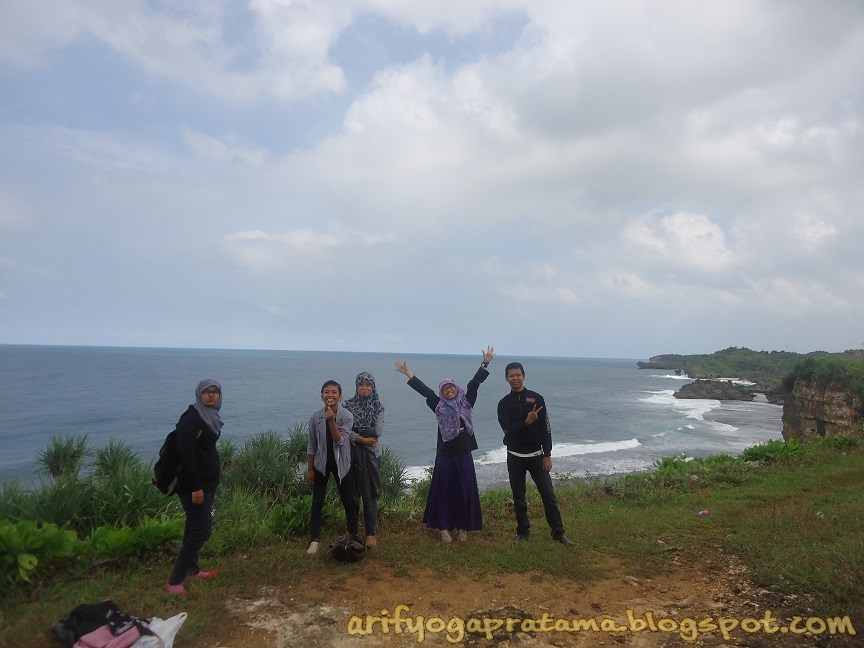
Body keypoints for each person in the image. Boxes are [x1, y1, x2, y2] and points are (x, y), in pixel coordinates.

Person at [394, 347, 495, 542]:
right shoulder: (438, 406)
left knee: (464, 490)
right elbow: (425, 391)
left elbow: (474, 384)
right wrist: (408, 373)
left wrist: (485, 363)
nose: (449, 390)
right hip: (445, 455)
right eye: (445, 389)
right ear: (442, 392)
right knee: (444, 491)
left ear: (456, 389)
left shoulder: (466, 403)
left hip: (464, 454)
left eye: (451, 387)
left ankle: (463, 527)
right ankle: (443, 527)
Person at [497, 362, 574, 546]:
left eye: (518, 375)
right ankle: (523, 532)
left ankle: (558, 533)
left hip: (537, 456)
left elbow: (546, 429)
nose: (515, 378)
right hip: (514, 456)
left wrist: (547, 454)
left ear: (524, 376)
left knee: (548, 496)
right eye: (511, 375)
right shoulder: (503, 404)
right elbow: (508, 433)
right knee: (519, 498)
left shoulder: (537, 399)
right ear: (506, 378)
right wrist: (527, 422)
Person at [165, 378, 223, 595]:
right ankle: (174, 581)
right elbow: (186, 455)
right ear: (199, 394)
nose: (211, 395)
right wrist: (195, 487)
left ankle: (192, 568)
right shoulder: (191, 418)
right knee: (201, 531)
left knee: (192, 527)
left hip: (207, 482)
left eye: (215, 391)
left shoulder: (210, 416)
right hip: (194, 485)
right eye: (207, 391)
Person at [306, 380, 360, 555]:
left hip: (342, 464)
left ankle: (353, 535)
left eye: (334, 392)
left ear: (340, 396)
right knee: (317, 501)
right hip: (321, 463)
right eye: (326, 392)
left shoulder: (347, 416)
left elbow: (340, 441)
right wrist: (310, 469)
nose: (330, 395)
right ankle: (314, 539)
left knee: (348, 500)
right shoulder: (315, 418)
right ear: (321, 396)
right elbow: (312, 444)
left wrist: (331, 421)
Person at [343, 372, 385, 548]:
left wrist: (354, 431)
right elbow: (343, 430)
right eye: (361, 385)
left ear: (373, 387)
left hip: (372, 456)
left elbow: (377, 431)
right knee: (352, 495)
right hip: (350, 455)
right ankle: (352, 531)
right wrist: (362, 438)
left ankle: (371, 534)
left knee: (370, 495)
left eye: (368, 385)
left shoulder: (378, 407)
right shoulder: (347, 406)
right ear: (356, 386)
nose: (365, 388)